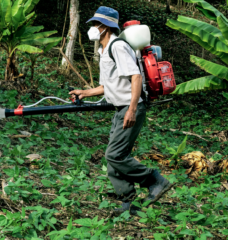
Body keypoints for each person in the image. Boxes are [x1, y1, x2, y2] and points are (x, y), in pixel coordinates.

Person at [69, 6, 173, 215]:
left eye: (95, 24)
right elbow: (107, 85)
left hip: (130, 107)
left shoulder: (117, 47)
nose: (92, 28)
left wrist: (132, 110)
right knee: (114, 158)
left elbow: (136, 77)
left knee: (114, 154)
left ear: (106, 27)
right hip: (120, 109)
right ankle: (128, 204)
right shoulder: (103, 50)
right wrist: (84, 92)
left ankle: (155, 180)